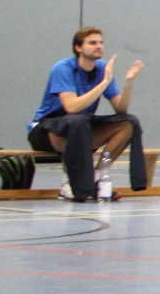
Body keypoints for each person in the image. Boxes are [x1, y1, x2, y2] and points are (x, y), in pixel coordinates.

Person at [27, 27, 148, 202]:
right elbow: (71, 107)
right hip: (47, 130)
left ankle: (97, 176)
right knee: (77, 121)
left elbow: (121, 110)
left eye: (101, 42)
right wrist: (104, 83)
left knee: (129, 122)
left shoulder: (102, 69)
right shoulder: (63, 68)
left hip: (81, 129)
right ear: (78, 48)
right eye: (92, 43)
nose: (99, 46)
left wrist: (128, 83)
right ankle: (70, 184)